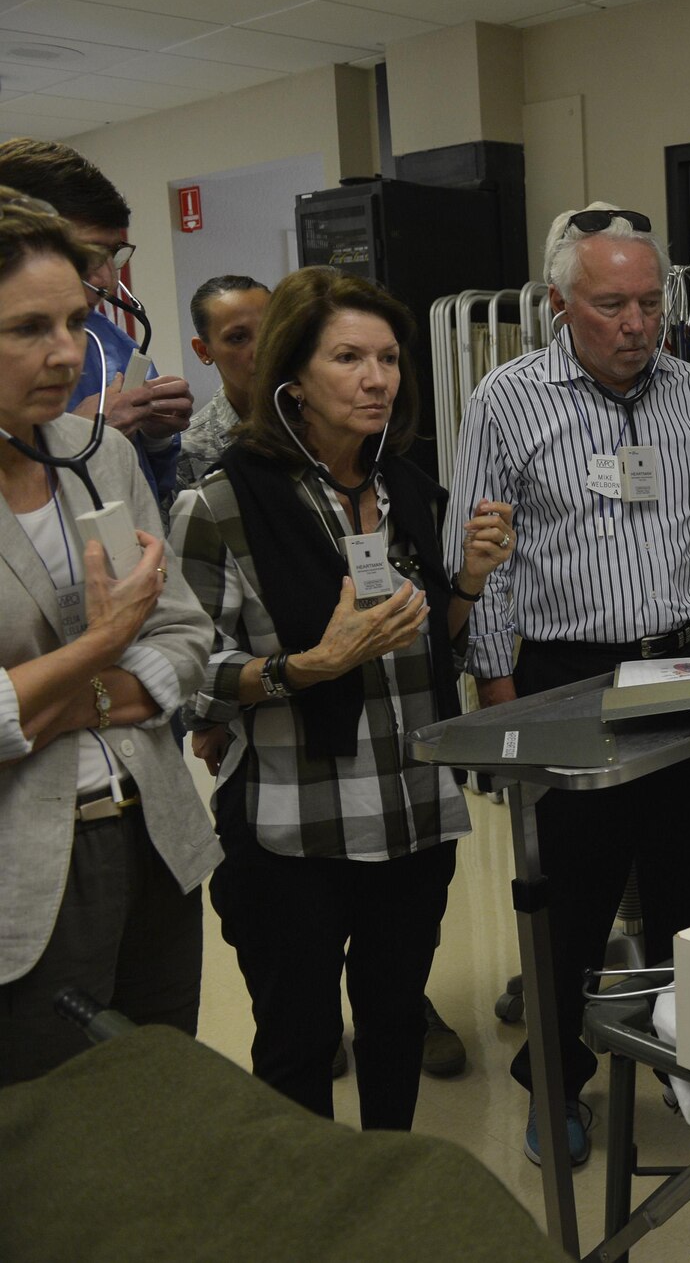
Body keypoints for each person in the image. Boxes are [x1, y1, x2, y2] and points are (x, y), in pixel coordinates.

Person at [170, 266, 514, 1131]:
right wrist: (304, 667)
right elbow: (181, 673)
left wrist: (466, 581)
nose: (378, 378)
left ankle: (388, 1189)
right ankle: (313, 1217)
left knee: (395, 1025)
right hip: (295, 828)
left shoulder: (409, 491)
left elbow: (438, 641)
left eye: (390, 358)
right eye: (349, 357)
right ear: (293, 377)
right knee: (299, 1039)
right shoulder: (220, 504)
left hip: (411, 814)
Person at [447, 201, 690, 1166]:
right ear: (559, 305)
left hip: (684, 663)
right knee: (571, 902)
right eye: (612, 304)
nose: (636, 324)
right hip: (565, 676)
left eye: (650, 304)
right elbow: (481, 558)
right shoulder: (506, 399)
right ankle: (554, 1079)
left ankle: (683, 1051)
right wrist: (505, 709)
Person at [0, 192, 219, 1087]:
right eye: (26, 328)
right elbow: (133, 629)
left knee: (165, 1096)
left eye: (76, 322)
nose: (64, 353)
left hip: (154, 835)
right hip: (29, 868)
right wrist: (102, 647)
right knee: (58, 1141)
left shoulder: (98, 449)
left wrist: (55, 702)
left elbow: (186, 631)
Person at [0, 140, 191, 513]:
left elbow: (153, 489)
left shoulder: (112, 343)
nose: (104, 278)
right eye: (85, 255)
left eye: (112, 253)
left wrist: (154, 436)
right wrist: (70, 434)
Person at [176, 275, 270, 491]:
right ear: (204, 351)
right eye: (238, 338)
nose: (262, 350)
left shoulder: (320, 423)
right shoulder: (186, 454)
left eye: (271, 331)